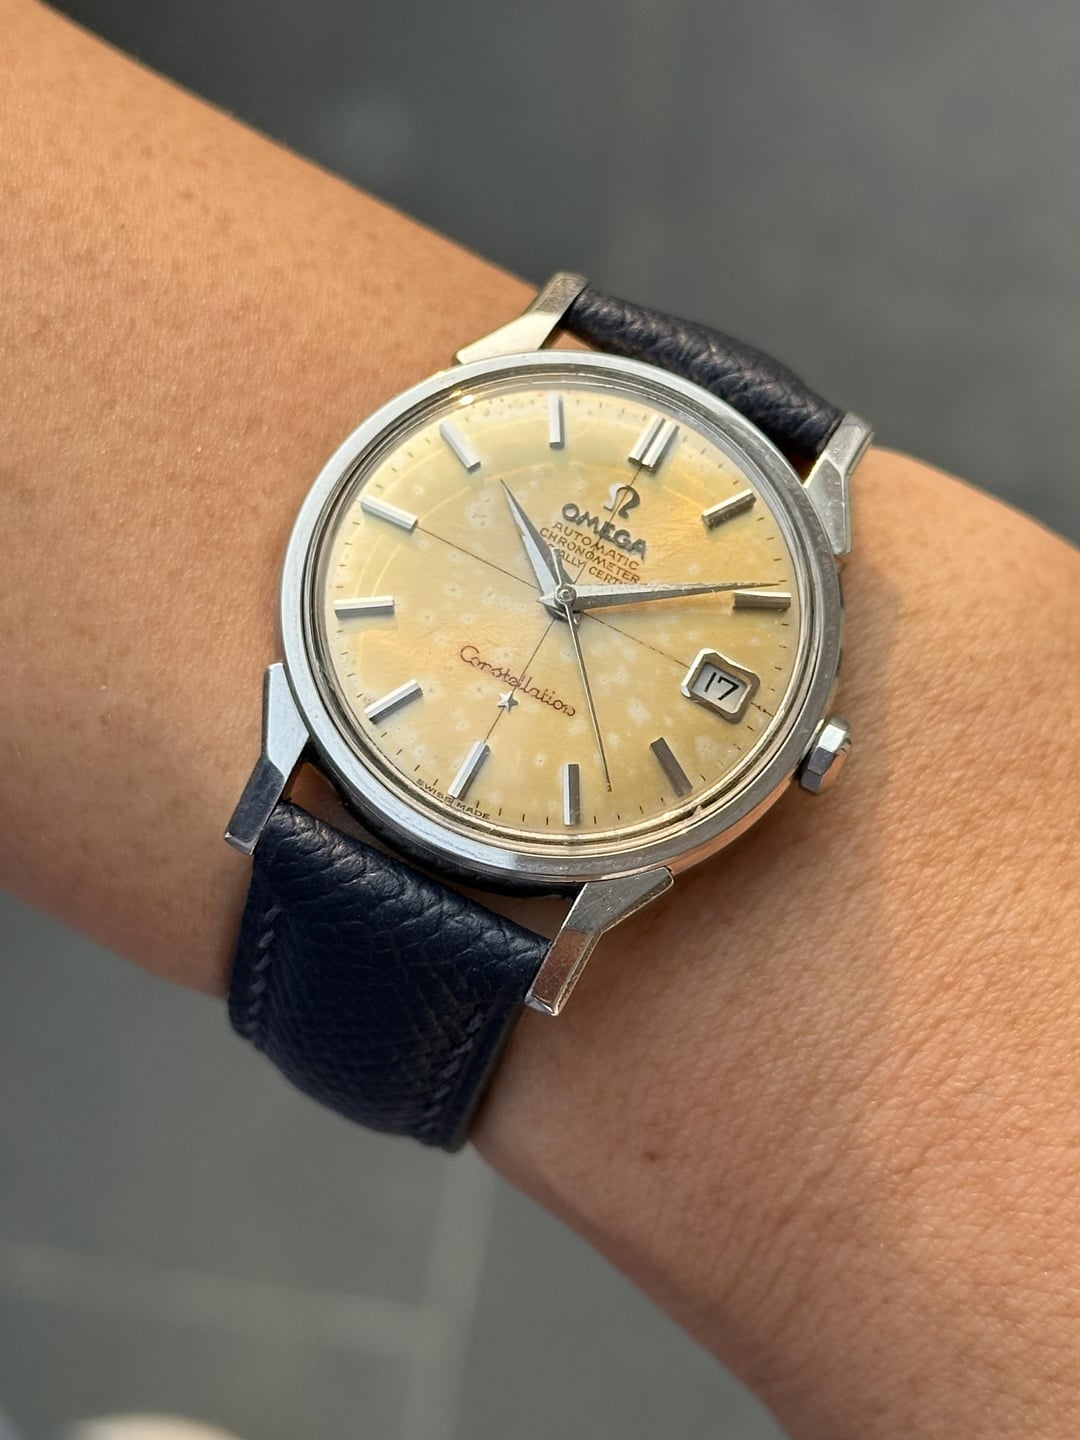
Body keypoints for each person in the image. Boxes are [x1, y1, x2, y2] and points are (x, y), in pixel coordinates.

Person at [3, 2, 1078, 1436]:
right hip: (367, 735)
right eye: (558, 579)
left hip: (531, 831)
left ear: (806, 751)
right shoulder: (329, 699)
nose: (566, 598)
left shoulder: (678, 819)